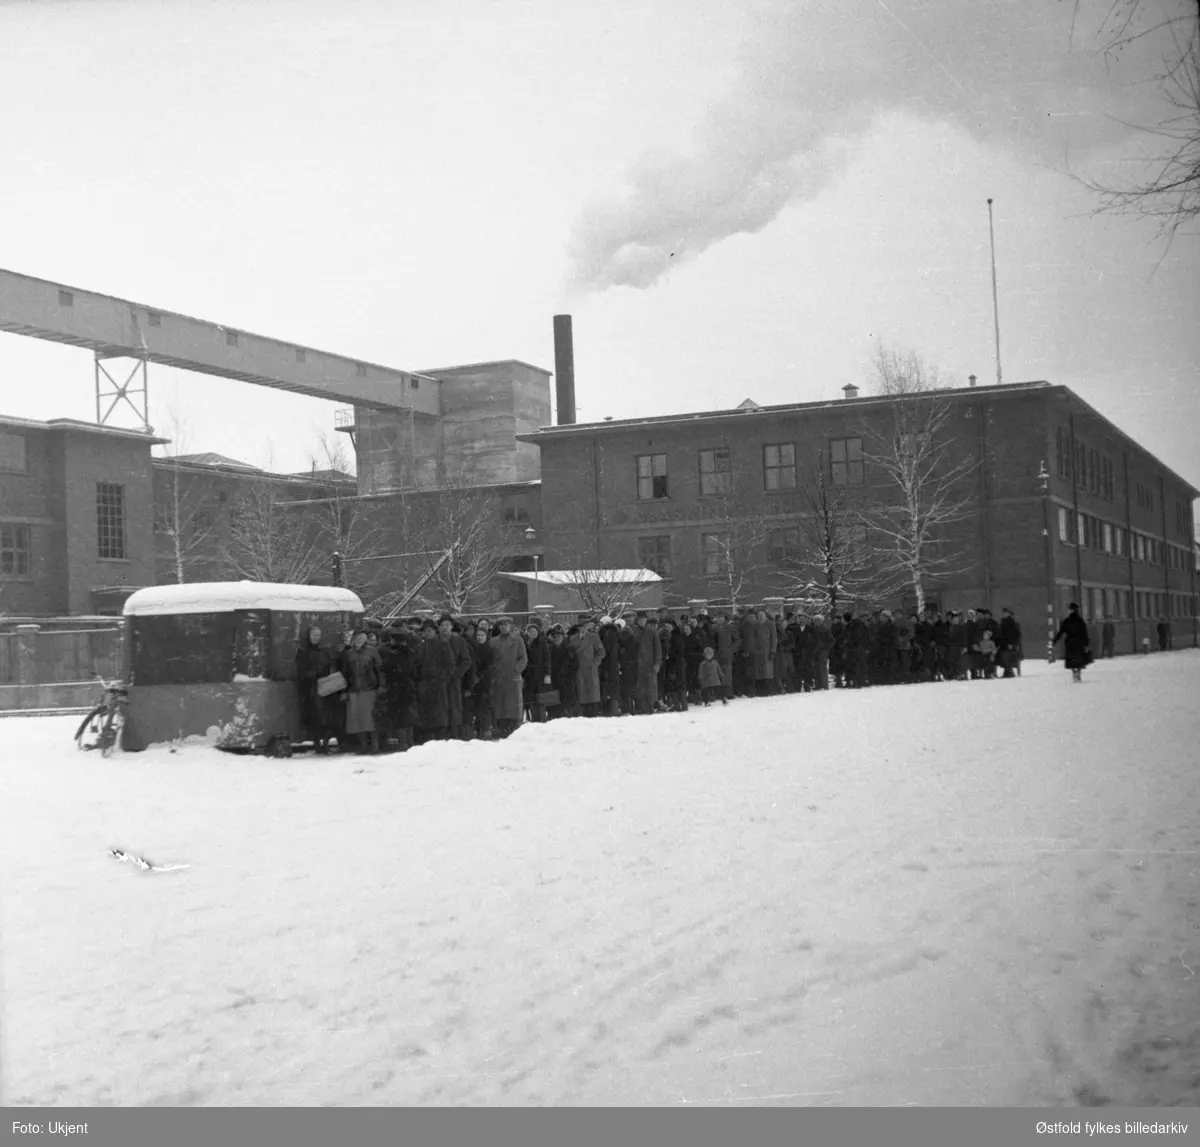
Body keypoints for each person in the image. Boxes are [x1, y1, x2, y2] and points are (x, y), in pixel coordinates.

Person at [293, 625, 338, 754]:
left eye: (318, 635)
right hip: (311, 688)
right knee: (316, 717)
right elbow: (301, 671)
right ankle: (318, 743)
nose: (316, 638)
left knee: (326, 717)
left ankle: (325, 742)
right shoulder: (303, 651)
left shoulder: (324, 651)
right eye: (314, 635)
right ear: (309, 636)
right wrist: (315, 675)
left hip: (325, 687)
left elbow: (330, 665)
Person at [340, 628, 385, 754]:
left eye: (362, 637)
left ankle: (375, 745)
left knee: (370, 719)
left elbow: (380, 670)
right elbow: (345, 673)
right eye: (358, 637)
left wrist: (382, 686)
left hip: (370, 689)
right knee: (357, 719)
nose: (360, 639)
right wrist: (344, 691)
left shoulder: (372, 652)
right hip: (353, 690)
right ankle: (363, 745)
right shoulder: (349, 654)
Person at [415, 618, 454, 741]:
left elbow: (450, 664)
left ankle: (441, 734)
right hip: (424, 683)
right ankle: (427, 734)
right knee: (426, 709)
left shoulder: (443, 645)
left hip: (439, 683)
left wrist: (443, 677)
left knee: (440, 709)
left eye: (429, 630)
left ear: (434, 631)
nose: (427, 633)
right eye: (425, 631)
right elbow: (416, 665)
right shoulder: (420, 647)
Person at [489, 617, 528, 737]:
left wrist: (517, 669)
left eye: (505, 625)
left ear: (510, 626)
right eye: (501, 625)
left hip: (513, 677)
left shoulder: (518, 640)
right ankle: (500, 728)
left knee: (512, 704)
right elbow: (490, 659)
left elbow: (523, 658)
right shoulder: (493, 641)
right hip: (498, 677)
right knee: (499, 703)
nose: (503, 627)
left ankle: (513, 727)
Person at [575, 617, 606, 717]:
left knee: (592, 694)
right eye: (581, 626)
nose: (583, 628)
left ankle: (594, 713)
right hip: (579, 670)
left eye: (585, 626)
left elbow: (601, 652)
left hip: (591, 669)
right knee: (581, 693)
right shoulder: (573, 638)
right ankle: (583, 714)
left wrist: (595, 663)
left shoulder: (594, 637)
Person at [1053, 601, 1091, 683]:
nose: (1068, 611)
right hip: (1079, 643)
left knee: (1071, 660)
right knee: (1079, 659)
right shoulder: (1080, 621)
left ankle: (1074, 672)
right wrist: (1086, 643)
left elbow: (1061, 632)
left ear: (1072, 610)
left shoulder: (1067, 620)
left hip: (1070, 643)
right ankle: (1079, 674)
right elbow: (1084, 632)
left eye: (1069, 609)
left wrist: (1054, 641)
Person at [634, 612, 662, 714]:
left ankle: (652, 706)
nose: (642, 621)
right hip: (637, 665)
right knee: (640, 688)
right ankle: (641, 708)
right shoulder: (634, 631)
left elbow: (658, 650)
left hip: (650, 664)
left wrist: (657, 663)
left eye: (644, 619)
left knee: (651, 687)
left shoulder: (652, 632)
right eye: (640, 619)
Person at [998, 607, 1023, 678]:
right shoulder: (1002, 622)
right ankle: (1006, 671)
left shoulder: (1013, 622)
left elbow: (1018, 634)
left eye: (1006, 613)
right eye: (1004, 613)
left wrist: (1013, 644)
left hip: (1012, 644)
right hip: (1004, 643)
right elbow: (1001, 633)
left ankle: (1009, 671)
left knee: (1009, 655)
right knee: (1002, 655)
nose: (1004, 614)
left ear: (1009, 614)